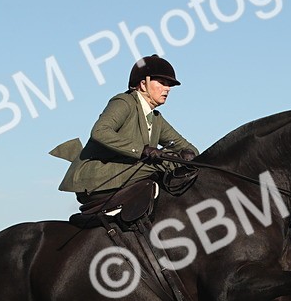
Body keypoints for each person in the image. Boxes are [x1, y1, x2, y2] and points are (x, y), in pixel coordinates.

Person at [58, 54, 198, 208]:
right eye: (162, 83)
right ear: (143, 84)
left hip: (126, 174)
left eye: (169, 85)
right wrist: (142, 150)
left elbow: (186, 146)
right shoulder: (124, 102)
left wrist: (192, 157)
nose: (167, 89)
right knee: (161, 163)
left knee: (171, 160)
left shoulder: (156, 118)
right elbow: (100, 131)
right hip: (96, 177)